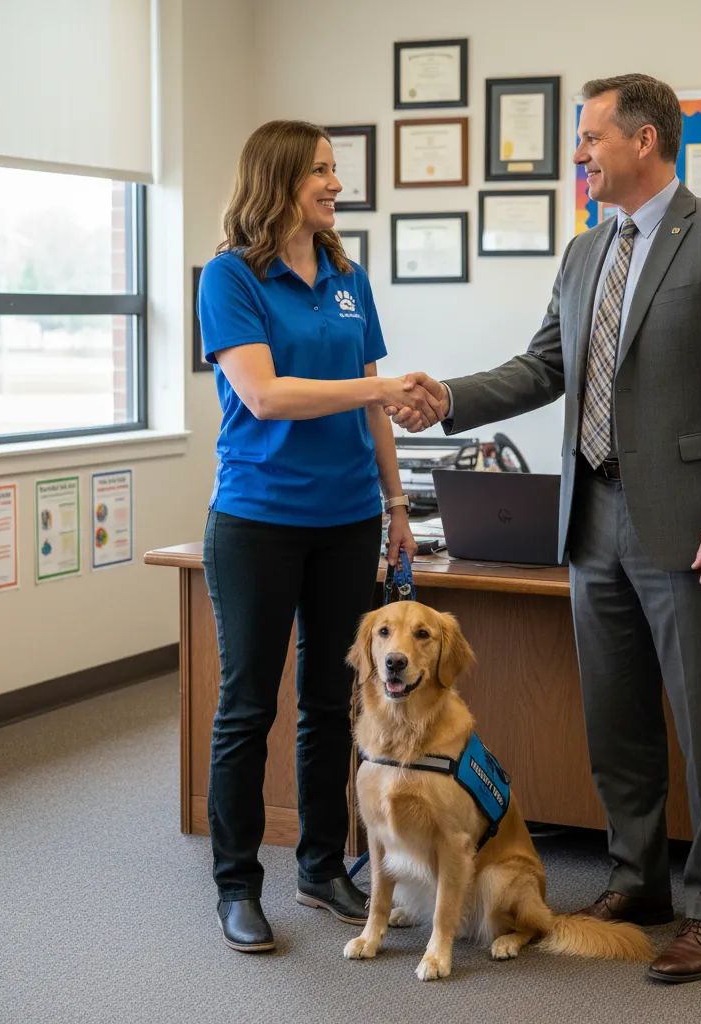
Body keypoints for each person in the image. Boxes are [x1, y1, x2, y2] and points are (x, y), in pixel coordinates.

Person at [392, 75, 701, 984]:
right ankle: (637, 877)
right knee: (615, 720)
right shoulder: (584, 253)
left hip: (690, 524)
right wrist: (448, 398)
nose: (580, 154)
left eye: (591, 139)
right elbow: (543, 367)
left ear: (644, 141)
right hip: (591, 516)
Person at [196, 119, 441, 953]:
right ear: (278, 180)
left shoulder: (347, 276)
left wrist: (398, 503)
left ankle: (320, 866)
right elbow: (264, 395)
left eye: (336, 171)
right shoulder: (230, 278)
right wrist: (371, 387)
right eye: (321, 172)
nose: (336, 185)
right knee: (246, 707)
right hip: (258, 520)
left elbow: (372, 398)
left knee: (331, 707)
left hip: (348, 522)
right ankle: (236, 884)